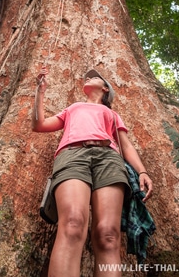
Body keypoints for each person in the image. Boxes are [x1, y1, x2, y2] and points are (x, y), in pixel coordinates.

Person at [32, 66, 153, 276]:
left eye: (95, 77)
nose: (88, 78)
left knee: (108, 235)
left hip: (109, 159)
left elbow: (126, 146)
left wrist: (142, 171)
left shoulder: (112, 114)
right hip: (73, 155)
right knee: (72, 223)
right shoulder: (73, 108)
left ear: (106, 88)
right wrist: (40, 92)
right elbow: (39, 124)